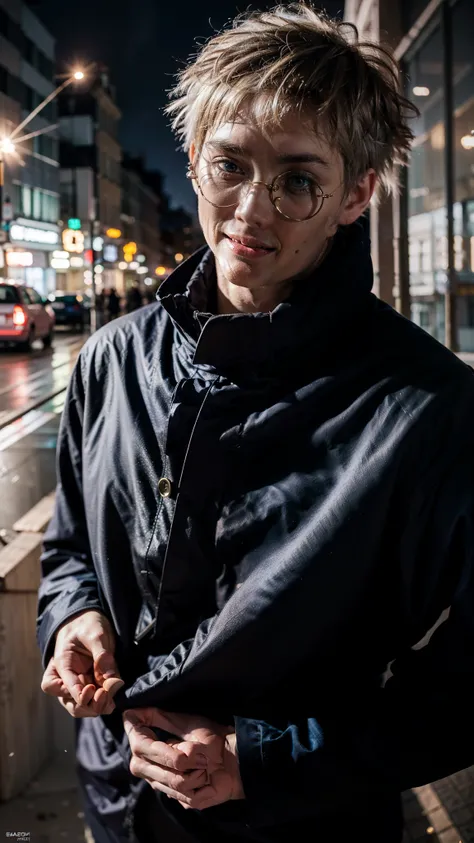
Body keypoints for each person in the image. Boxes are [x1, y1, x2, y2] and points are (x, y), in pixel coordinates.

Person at [37, 5, 474, 843]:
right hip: (117, 805)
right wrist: (72, 617)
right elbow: (68, 549)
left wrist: (267, 756)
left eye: (298, 180)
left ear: (357, 193)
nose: (250, 209)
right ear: (195, 161)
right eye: (229, 165)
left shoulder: (432, 412)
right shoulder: (110, 360)